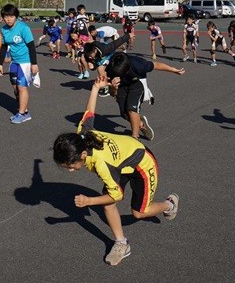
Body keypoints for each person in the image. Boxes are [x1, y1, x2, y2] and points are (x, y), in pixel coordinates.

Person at [53, 76, 180, 266]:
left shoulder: (102, 164)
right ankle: (122, 243)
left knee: (138, 212)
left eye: (71, 166)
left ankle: (170, 204)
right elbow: (89, 112)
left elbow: (116, 196)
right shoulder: (82, 136)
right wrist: (95, 88)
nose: (71, 170)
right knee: (107, 205)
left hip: (142, 164)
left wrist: (89, 201)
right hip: (122, 160)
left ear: (82, 156)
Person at [105, 51, 185, 141]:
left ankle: (135, 138)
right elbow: (113, 94)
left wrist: (174, 70)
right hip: (121, 87)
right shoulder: (110, 70)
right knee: (124, 114)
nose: (121, 76)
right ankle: (141, 124)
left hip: (136, 84)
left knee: (131, 109)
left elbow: (157, 65)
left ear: (128, 68)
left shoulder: (138, 64)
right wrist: (113, 87)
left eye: (123, 73)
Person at [0, 4, 39, 124]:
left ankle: (21, 114)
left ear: (16, 16)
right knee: (15, 89)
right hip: (14, 62)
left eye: (11, 16)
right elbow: (4, 47)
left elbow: (31, 46)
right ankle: (24, 111)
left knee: (22, 87)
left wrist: (34, 64)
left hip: (25, 62)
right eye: (6, 16)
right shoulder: (4, 29)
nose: (8, 19)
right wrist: (0, 64)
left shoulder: (23, 28)